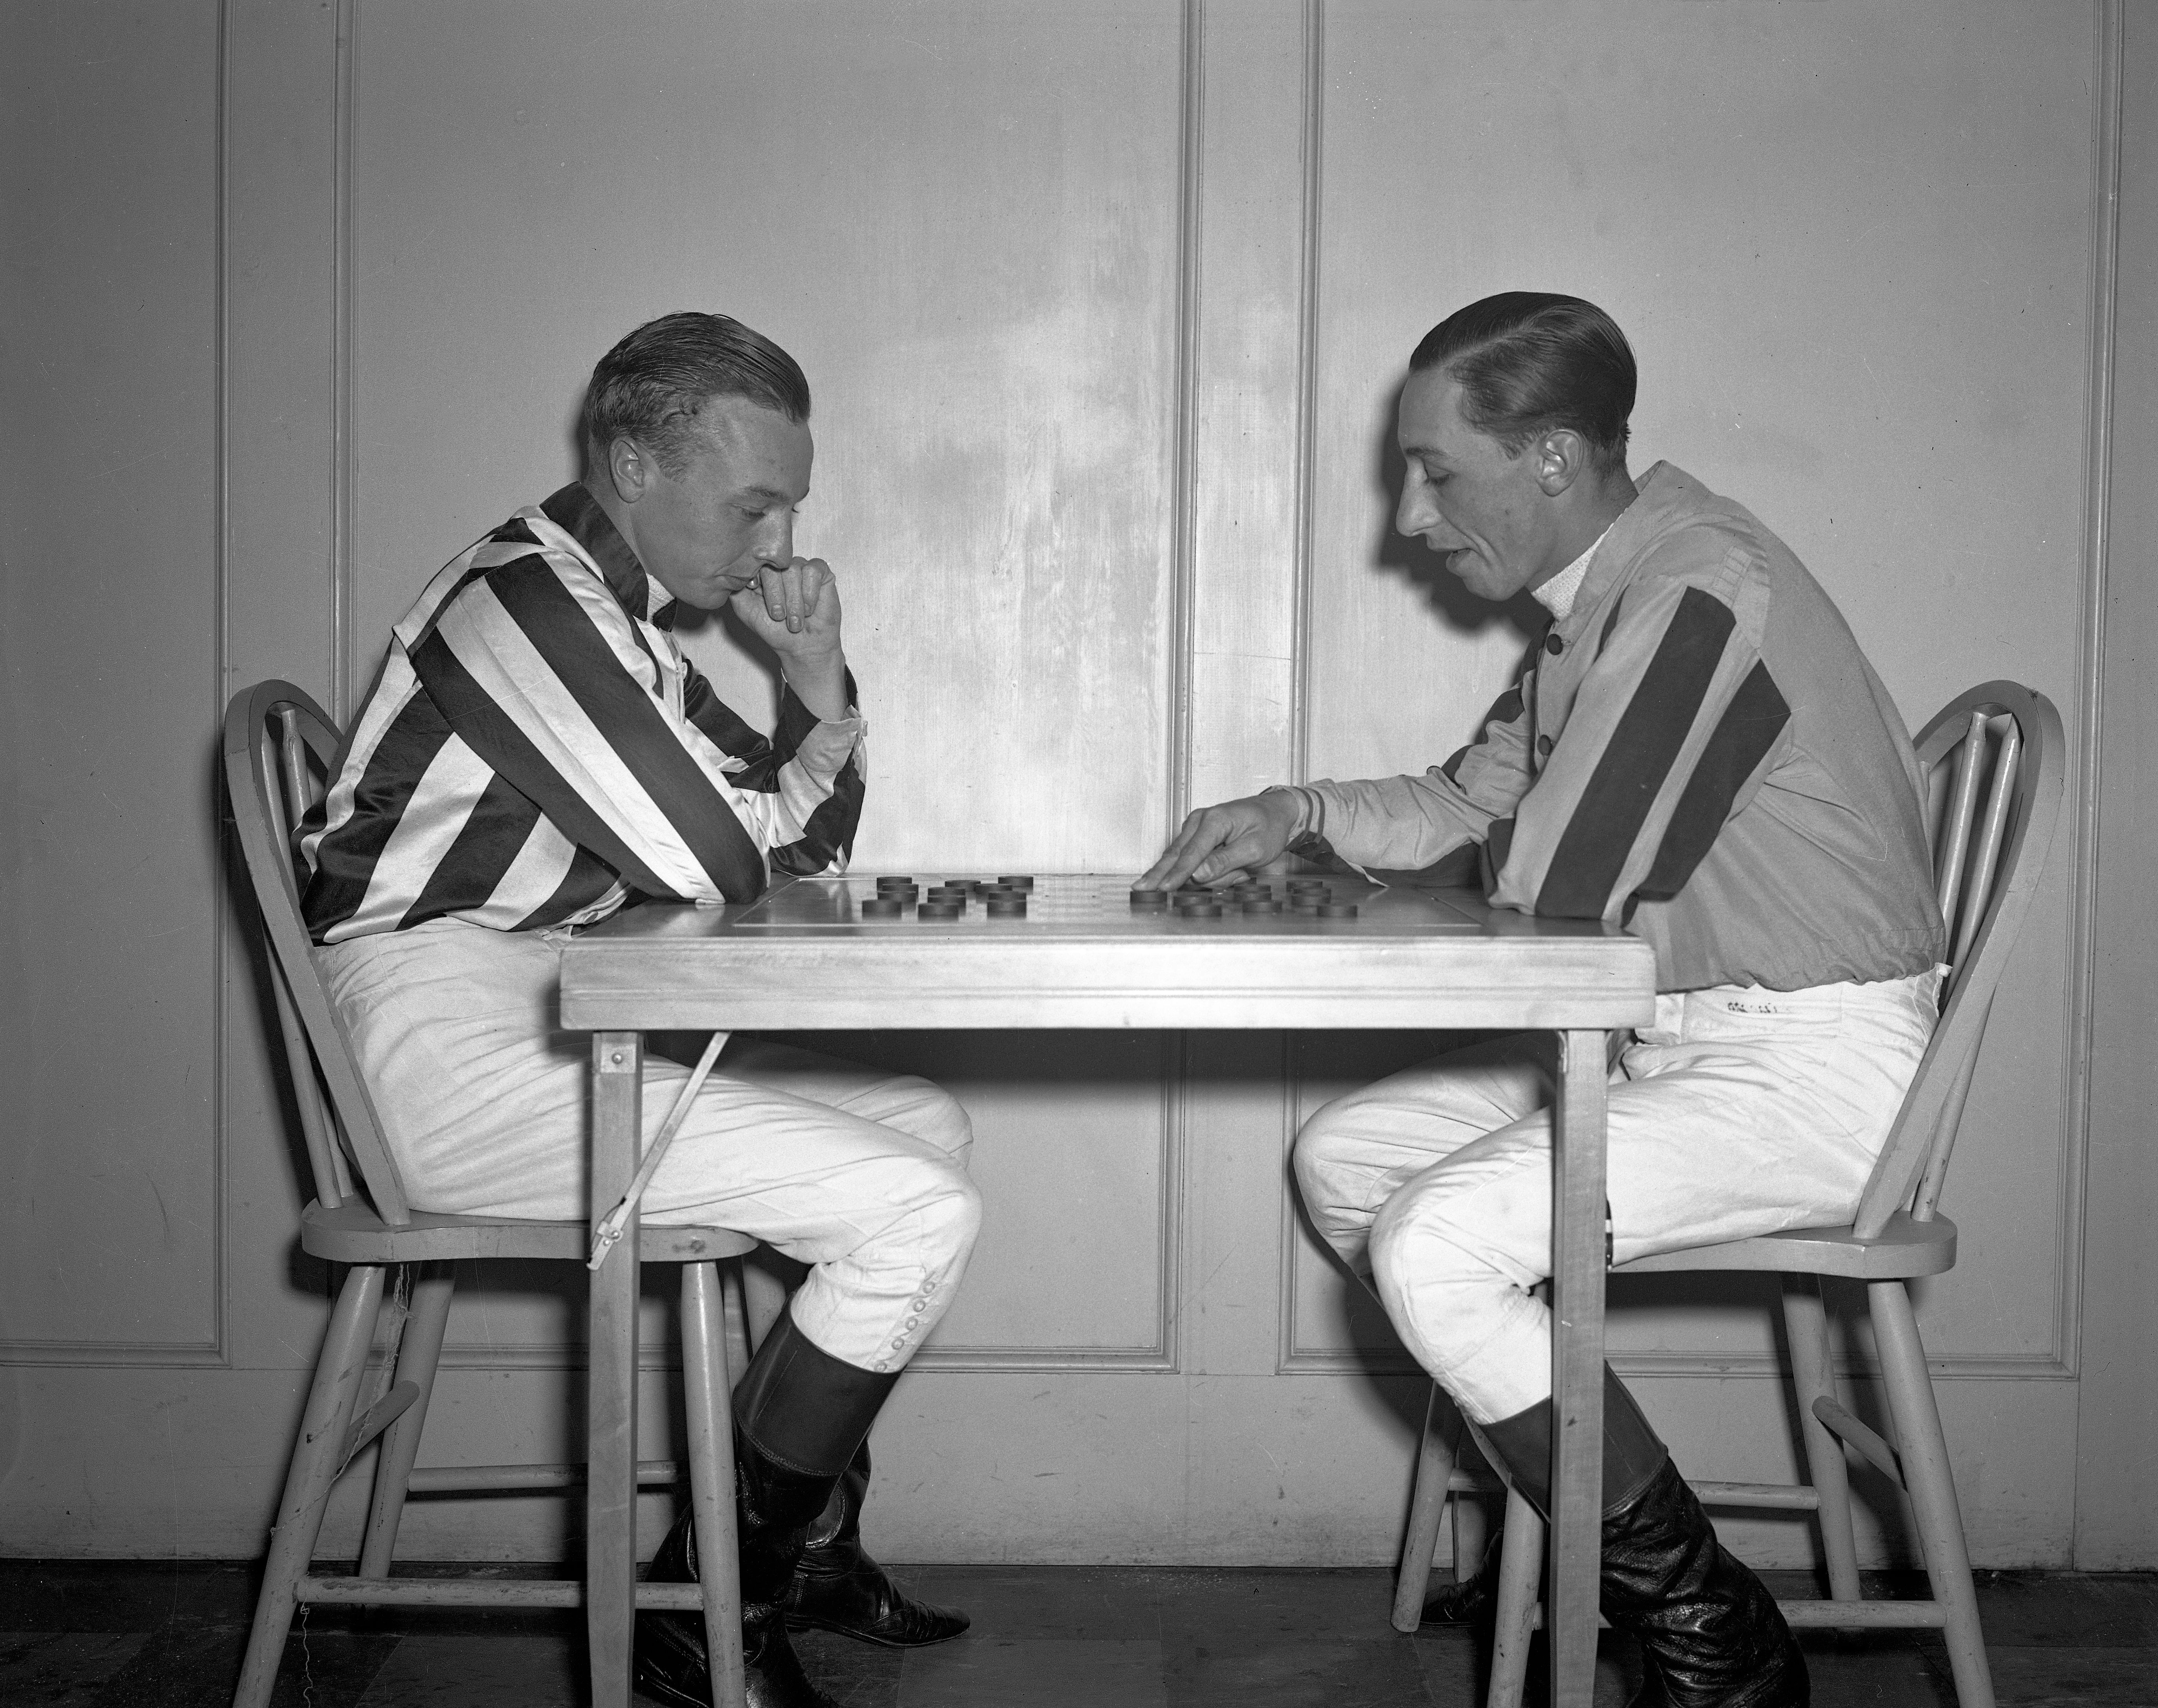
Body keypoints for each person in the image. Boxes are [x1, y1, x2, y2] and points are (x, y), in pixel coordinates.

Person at [1140, 292, 1947, 1708]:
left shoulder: (1701, 592)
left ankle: (1709, 1631)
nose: (1410, 516)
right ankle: (1567, 1506)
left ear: (1558, 459)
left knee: (1441, 1248)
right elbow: (1469, 807)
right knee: (1347, 1162)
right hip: (1671, 1041)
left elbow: (1559, 882)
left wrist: (1365, 871)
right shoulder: (1606, 610)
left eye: (1438, 472)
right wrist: (1298, 809)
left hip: (1815, 1067)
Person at [298, 312, 980, 1708]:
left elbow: (798, 851)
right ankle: (701, 1613)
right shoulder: (529, 608)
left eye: (789, 503)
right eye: (754, 504)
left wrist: (806, 677)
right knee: (919, 1211)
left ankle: (800, 1554)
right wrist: (748, 820)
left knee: (924, 1121)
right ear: (629, 460)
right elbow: (719, 861)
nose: (779, 543)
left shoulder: (618, 629)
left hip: (551, 1010)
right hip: (435, 1050)